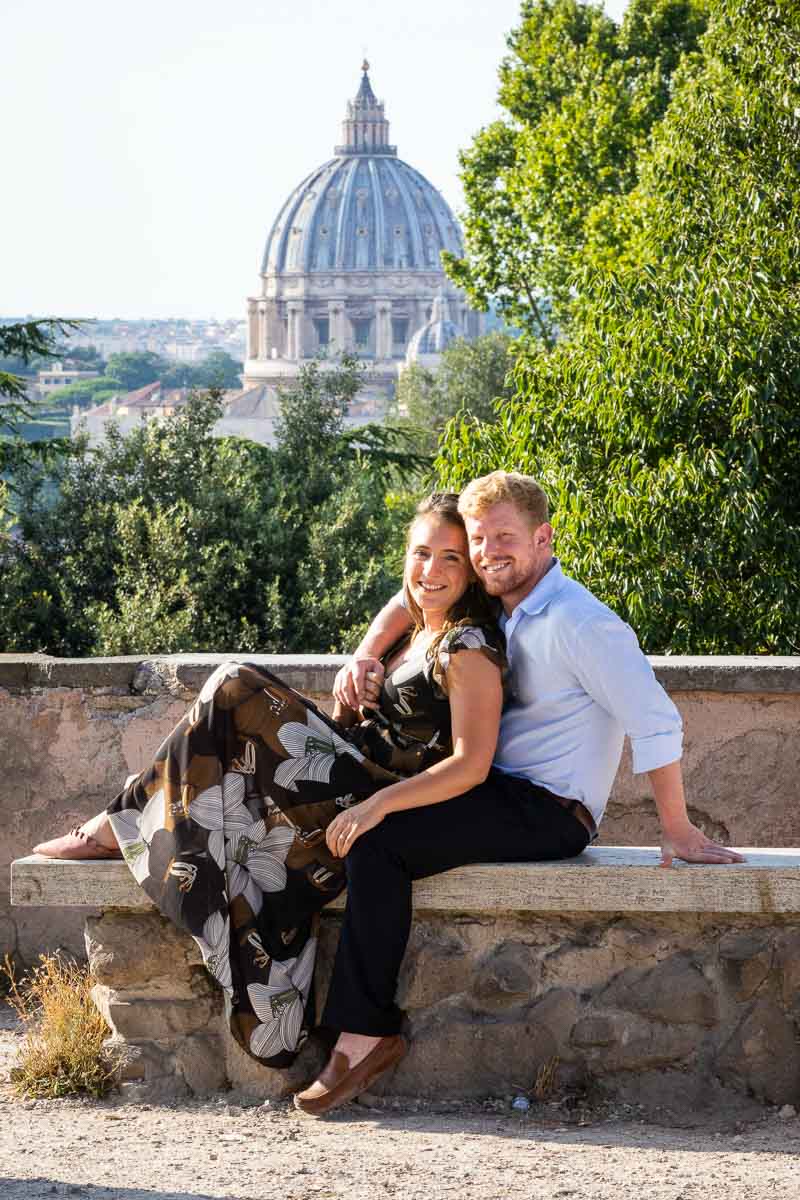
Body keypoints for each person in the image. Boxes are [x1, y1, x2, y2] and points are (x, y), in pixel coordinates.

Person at [295, 469, 744, 1116]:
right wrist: (366, 652)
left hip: (549, 812)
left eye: (502, 538)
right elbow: (415, 587)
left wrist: (676, 828)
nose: (485, 553)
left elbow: (656, 718)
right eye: (477, 540)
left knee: (381, 840)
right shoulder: (501, 598)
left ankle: (367, 1034)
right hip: (497, 790)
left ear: (544, 538)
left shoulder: (579, 623)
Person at [33, 493, 508, 1080]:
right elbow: (405, 599)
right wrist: (364, 655)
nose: (430, 572)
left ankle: (121, 818)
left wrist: (380, 805)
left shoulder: (468, 648)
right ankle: (130, 813)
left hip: (370, 793)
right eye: (420, 554)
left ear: (473, 573)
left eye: (451, 560)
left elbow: (472, 764)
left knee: (235, 685)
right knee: (224, 750)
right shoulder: (420, 626)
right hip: (346, 766)